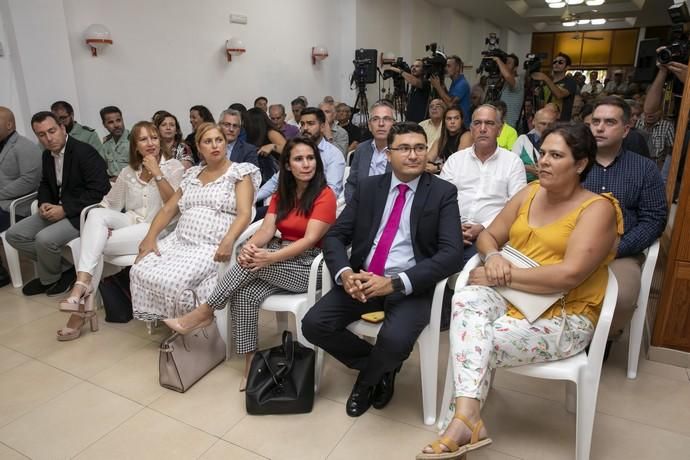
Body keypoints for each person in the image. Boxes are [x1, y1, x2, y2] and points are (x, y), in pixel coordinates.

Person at [420, 122, 622, 459]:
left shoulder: (597, 209)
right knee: (467, 298)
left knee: (472, 337)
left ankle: (461, 422)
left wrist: (502, 275)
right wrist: (495, 255)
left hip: (564, 313)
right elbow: (488, 235)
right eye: (543, 153)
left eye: (556, 156)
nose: (543, 161)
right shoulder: (529, 192)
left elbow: (568, 275)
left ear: (581, 164)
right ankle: (469, 419)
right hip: (513, 297)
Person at [302, 122, 463, 418]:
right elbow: (336, 236)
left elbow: (452, 254)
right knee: (313, 324)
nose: (413, 155)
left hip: (411, 285)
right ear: (388, 154)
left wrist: (396, 283)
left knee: (394, 340)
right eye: (404, 148)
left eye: (419, 148)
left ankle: (367, 380)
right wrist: (345, 274)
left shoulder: (443, 193)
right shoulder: (369, 188)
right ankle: (382, 366)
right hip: (363, 279)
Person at [165, 136, 336, 390]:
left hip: (311, 266)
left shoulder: (325, 194)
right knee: (244, 293)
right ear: (287, 165)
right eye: (299, 159)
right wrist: (251, 247)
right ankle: (251, 363)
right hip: (278, 259)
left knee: (254, 264)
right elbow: (267, 230)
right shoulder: (282, 194)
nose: (306, 164)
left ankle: (205, 311)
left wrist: (268, 257)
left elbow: (310, 240)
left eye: (310, 158)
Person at [56, 121, 184, 341]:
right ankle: (82, 287)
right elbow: (109, 206)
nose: (150, 143)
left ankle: (80, 306)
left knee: (83, 245)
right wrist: (103, 227)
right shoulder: (128, 172)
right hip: (131, 223)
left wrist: (158, 173)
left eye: (154, 137)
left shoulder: (174, 167)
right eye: (143, 139)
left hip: (158, 230)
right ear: (135, 146)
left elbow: (174, 208)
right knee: (96, 216)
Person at [130, 123, 261, 321]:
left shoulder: (239, 173)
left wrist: (228, 240)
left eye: (219, 140)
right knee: (140, 268)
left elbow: (244, 213)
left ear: (226, 144)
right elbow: (168, 209)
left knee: (175, 280)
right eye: (208, 142)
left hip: (212, 244)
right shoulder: (192, 175)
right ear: (199, 148)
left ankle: (188, 327)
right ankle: (171, 321)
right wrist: (150, 237)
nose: (215, 146)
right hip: (180, 241)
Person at [583, 97, 667, 340]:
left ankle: (602, 340)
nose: (599, 128)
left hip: (620, 252)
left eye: (609, 122)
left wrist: (619, 247)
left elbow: (654, 219)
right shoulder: (574, 162)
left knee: (621, 296)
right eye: (595, 121)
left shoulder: (644, 169)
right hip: (569, 246)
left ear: (626, 129)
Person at [6, 111, 110, 296]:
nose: (48, 138)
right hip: (55, 209)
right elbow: (45, 183)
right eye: (41, 135)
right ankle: (65, 270)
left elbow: (100, 190)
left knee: (44, 239)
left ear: (62, 128)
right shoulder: (47, 155)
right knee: (14, 235)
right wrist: (44, 203)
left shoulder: (84, 152)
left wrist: (65, 209)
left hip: (81, 213)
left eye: (52, 131)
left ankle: (49, 279)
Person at [440, 104, 526, 264]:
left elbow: (516, 207)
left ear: (499, 130)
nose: (483, 128)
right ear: (471, 129)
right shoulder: (455, 160)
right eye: (477, 123)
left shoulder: (513, 162)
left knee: (466, 268)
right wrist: (453, 226)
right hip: (450, 231)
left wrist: (483, 227)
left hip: (491, 235)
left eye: (489, 123)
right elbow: (439, 199)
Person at [257, 107, 345, 204]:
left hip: (317, 205)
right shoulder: (295, 150)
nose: (305, 128)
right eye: (302, 124)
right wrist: (252, 199)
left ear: (322, 127)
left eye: (310, 124)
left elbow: (332, 190)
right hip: (291, 203)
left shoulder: (333, 154)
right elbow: (275, 181)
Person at [0, 107, 42, 287]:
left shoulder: (24, 146)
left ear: (9, 124)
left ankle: (1, 274)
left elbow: (29, 181)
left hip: (17, 206)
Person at [344, 101, 396, 204]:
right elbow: (351, 184)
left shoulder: (400, 150)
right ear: (369, 125)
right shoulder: (361, 149)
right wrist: (354, 205)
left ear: (394, 124)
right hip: (360, 205)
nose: (381, 124)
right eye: (375, 119)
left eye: (386, 119)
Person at [511, 108, 557, 182]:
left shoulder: (560, 144)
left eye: (550, 124)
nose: (547, 127)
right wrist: (526, 168)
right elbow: (510, 164)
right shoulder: (523, 140)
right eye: (543, 124)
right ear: (534, 122)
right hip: (524, 187)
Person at [244, 107, 287, 184]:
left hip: (278, 176)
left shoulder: (271, 133)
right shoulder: (252, 136)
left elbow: (289, 150)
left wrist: (272, 146)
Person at [426, 106, 473, 174]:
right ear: (444, 121)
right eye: (449, 119)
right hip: (447, 174)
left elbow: (458, 162)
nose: (452, 122)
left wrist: (438, 167)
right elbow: (428, 158)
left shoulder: (467, 135)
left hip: (462, 174)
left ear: (462, 121)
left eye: (456, 118)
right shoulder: (442, 139)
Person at [531, 53, 577, 121]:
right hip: (546, 121)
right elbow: (541, 105)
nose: (556, 64)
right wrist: (537, 96)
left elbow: (559, 94)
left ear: (567, 67)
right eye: (554, 62)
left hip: (561, 123)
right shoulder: (545, 83)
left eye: (560, 62)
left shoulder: (570, 81)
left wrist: (545, 78)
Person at [383, 58, 431, 123]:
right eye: (412, 66)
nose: (414, 68)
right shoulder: (412, 87)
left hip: (421, 123)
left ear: (423, 70)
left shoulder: (426, 83)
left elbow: (415, 82)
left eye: (417, 66)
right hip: (410, 121)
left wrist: (399, 71)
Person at [430, 56, 471, 128]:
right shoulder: (455, 82)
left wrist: (438, 87)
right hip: (455, 123)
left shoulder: (462, 83)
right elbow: (449, 98)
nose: (446, 69)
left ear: (457, 68)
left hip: (462, 126)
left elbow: (451, 104)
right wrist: (442, 86)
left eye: (449, 66)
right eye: (445, 66)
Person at [99, 106, 129, 179]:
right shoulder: (106, 144)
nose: (116, 125)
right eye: (110, 122)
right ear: (104, 125)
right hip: (111, 183)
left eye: (118, 120)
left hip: (131, 183)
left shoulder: (134, 140)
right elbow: (100, 168)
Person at [496, 53, 524, 128]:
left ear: (515, 68)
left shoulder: (518, 81)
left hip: (511, 125)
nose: (505, 65)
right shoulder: (505, 82)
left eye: (508, 63)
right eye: (504, 62)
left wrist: (498, 60)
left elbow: (508, 76)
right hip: (503, 124)